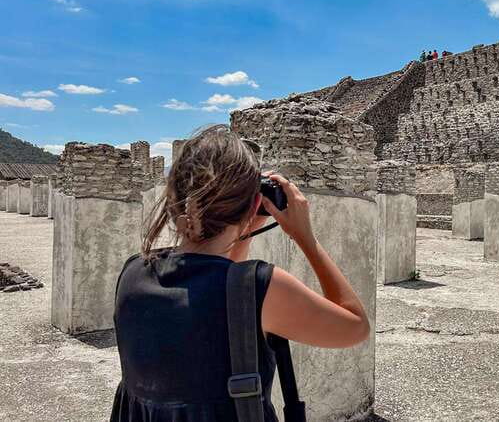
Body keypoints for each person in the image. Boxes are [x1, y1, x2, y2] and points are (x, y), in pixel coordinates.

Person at [110, 125, 370, 421]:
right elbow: (355, 327)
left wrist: (246, 224)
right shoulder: (260, 288)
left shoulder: (133, 272)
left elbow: (219, 274)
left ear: (174, 196)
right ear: (256, 203)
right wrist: (306, 239)